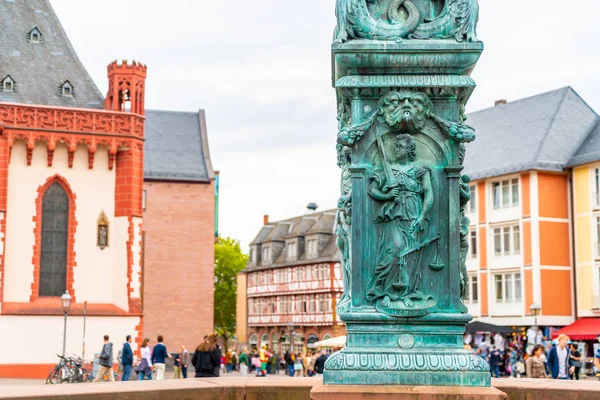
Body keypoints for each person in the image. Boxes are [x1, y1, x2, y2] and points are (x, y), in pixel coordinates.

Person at [366, 134, 434, 309]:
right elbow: (372, 190)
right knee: (395, 249)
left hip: (414, 214)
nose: (397, 149)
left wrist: (422, 216)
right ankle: (384, 291)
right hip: (394, 215)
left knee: (411, 254)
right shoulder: (388, 169)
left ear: (410, 149)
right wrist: (387, 195)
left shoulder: (420, 169)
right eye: (396, 146)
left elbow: (429, 194)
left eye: (401, 146)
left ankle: (406, 293)